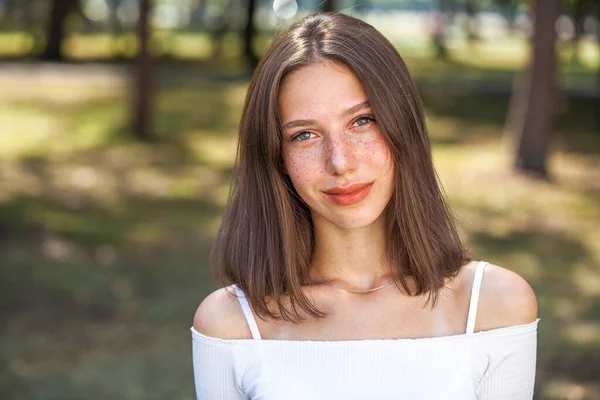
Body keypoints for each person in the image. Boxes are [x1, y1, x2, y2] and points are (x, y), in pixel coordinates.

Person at [191, 12, 539, 399]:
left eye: (362, 121)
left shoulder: (493, 306)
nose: (340, 162)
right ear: (278, 159)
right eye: (304, 135)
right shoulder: (232, 325)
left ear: (401, 125)